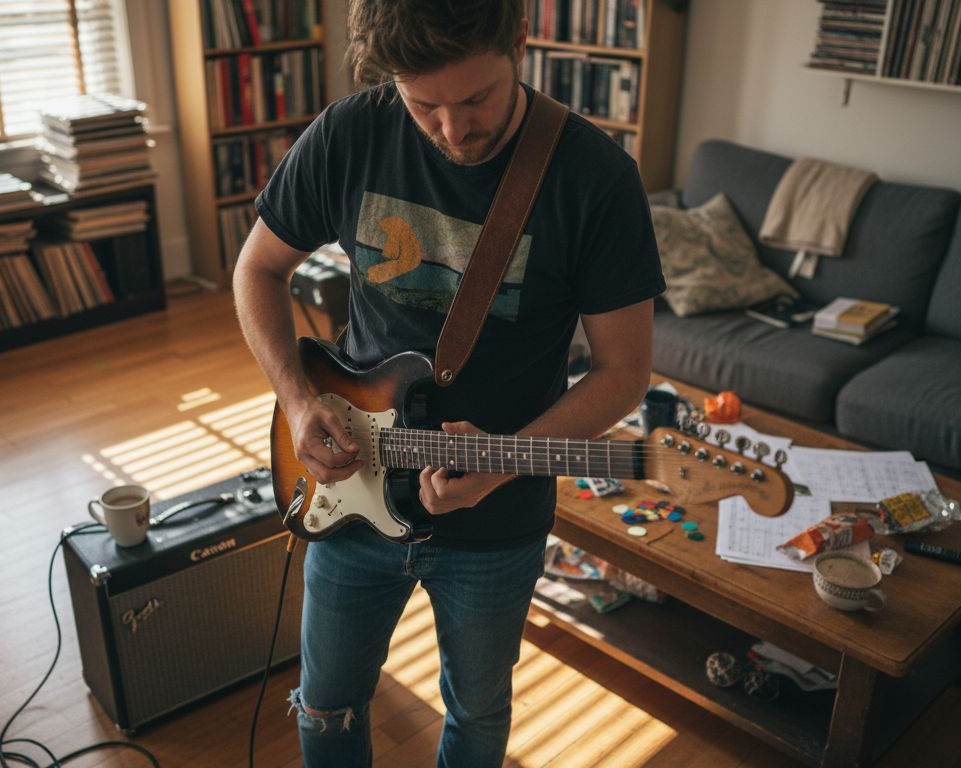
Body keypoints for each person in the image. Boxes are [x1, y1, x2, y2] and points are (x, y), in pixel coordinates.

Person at [232, 1, 665, 764]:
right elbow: (258, 268)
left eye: (477, 100)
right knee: (326, 707)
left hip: (497, 524)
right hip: (348, 491)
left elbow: (624, 372)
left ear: (520, 44)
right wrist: (299, 401)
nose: (453, 131)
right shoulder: (349, 133)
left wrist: (501, 464)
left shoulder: (595, 178)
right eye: (423, 103)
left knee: (477, 718)